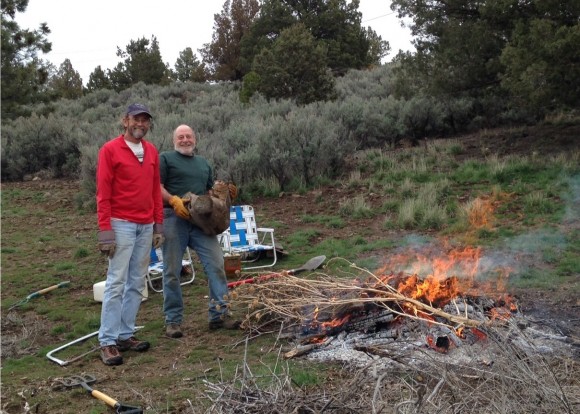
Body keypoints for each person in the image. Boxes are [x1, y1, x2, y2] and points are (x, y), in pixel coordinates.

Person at [96, 103, 164, 366]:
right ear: (125, 121)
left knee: (137, 281)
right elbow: (103, 192)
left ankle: (125, 334)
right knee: (116, 282)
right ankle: (108, 341)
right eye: (137, 119)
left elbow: (155, 190)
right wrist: (106, 232)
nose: (141, 124)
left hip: (146, 225)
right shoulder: (110, 150)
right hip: (121, 224)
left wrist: (159, 225)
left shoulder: (151, 151)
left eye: (145, 120)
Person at [160, 124, 238, 338]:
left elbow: (208, 193)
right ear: (174, 140)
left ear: (195, 139)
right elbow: (155, 187)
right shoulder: (165, 159)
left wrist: (226, 197)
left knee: (216, 264)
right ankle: (173, 320)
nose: (185, 140)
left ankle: (219, 315)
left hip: (202, 219)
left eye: (189, 136)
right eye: (181, 136)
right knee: (172, 271)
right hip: (174, 216)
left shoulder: (203, 163)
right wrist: (173, 201)